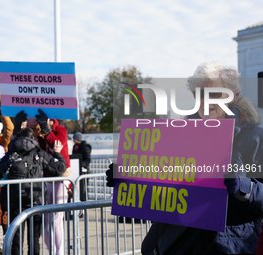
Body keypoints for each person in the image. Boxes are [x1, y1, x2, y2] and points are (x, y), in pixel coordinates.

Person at [107, 61, 263, 255]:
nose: (206, 102)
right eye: (199, 94)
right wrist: (130, 182)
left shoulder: (255, 138)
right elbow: (162, 193)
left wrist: (243, 187)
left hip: (228, 245)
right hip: (180, 244)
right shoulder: (177, 135)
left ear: (233, 97)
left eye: (215, 94)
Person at [0, 127, 66, 255]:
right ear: (32, 138)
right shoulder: (38, 153)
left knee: (16, 240)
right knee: (34, 240)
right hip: (35, 201)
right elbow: (59, 169)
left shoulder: (10, 154)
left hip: (14, 201)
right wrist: (57, 153)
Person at [28, 109, 71, 255]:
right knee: (45, 221)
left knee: (56, 220)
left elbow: (57, 144)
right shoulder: (39, 134)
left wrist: (46, 130)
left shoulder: (60, 129)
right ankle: (51, 250)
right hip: (45, 178)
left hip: (60, 177)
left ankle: (59, 253)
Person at [72, 132, 92, 201]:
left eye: (74, 138)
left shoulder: (85, 147)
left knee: (83, 189)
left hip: (84, 171)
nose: (73, 140)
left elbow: (87, 160)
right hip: (77, 170)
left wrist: (79, 164)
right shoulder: (75, 147)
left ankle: (84, 202)